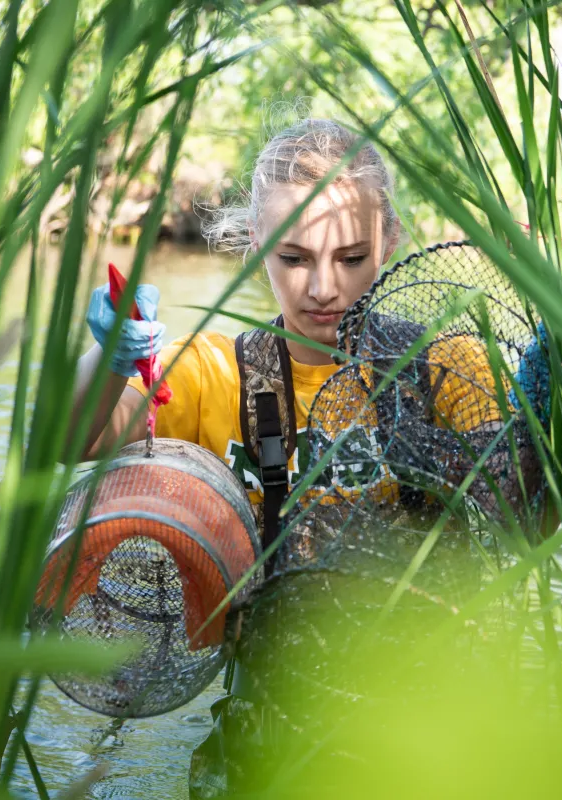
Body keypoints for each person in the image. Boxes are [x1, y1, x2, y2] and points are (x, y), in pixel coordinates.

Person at [63, 118, 508, 797]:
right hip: (274, 729)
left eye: (352, 257)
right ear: (253, 246)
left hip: (432, 727)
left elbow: (520, 496)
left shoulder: (447, 366)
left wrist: (551, 384)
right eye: (293, 258)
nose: (322, 288)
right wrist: (105, 358)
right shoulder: (215, 374)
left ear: (391, 241)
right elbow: (73, 439)